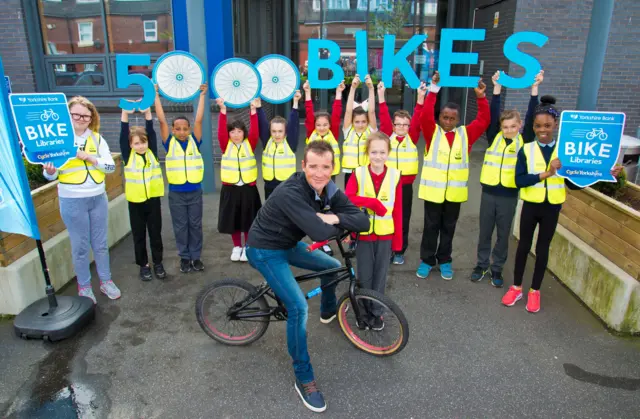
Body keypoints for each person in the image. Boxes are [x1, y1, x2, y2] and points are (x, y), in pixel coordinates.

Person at [245, 140, 370, 413]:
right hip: (264, 249)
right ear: (303, 166)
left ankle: (327, 311)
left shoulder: (328, 189)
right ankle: (304, 377)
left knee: (332, 267)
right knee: (299, 309)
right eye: (313, 166)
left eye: (325, 167)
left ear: (332, 168)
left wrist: (334, 218)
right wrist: (333, 222)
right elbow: (320, 233)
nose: (319, 173)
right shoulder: (290, 192)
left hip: (287, 243)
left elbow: (363, 221)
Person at [503, 93, 622, 312]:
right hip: (530, 205)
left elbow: (574, 184)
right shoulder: (526, 149)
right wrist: (546, 173)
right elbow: (519, 181)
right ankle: (517, 287)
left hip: (552, 207)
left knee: (542, 249)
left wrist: (607, 172)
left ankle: (534, 291)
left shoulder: (566, 151)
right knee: (523, 247)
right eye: (538, 126)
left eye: (547, 125)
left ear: (555, 125)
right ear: (533, 125)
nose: (542, 130)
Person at [42, 96, 119, 304]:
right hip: (72, 199)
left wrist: (91, 158)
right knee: (81, 246)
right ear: (68, 116)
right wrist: (49, 171)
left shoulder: (97, 139)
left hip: (97, 197)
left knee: (101, 244)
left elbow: (111, 167)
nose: (81, 118)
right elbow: (50, 175)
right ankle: (84, 286)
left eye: (85, 115)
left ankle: (106, 281)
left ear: (91, 117)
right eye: (76, 114)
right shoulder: (57, 139)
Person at [417, 70, 490, 280]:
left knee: (448, 228)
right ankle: (427, 260)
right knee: (430, 227)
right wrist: (434, 89)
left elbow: (484, 120)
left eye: (452, 118)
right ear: (439, 117)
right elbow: (424, 115)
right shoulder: (432, 133)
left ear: (458, 119)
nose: (448, 121)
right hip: (433, 193)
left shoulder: (465, 134)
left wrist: (481, 97)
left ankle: (445, 260)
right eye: (444, 117)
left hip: (454, 195)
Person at [470, 70, 532, 287]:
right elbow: (493, 113)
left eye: (513, 127)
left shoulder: (524, 142)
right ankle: (481, 265)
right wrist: (496, 89)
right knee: (485, 232)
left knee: (503, 235)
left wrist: (534, 92)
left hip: (508, 195)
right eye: (505, 127)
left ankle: (497, 269)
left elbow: (533, 116)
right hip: (489, 193)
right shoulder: (495, 137)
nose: (508, 130)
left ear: (520, 126)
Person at [345, 132, 402, 330]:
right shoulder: (358, 173)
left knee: (380, 276)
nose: (378, 156)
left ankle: (377, 313)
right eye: (374, 152)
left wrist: (398, 242)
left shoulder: (395, 175)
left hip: (386, 235)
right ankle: (362, 311)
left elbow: (399, 211)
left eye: (382, 152)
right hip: (364, 234)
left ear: (388, 153)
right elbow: (348, 198)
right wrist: (373, 203)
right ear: (367, 153)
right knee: (364, 275)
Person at [155, 83, 208, 273]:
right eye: (178, 129)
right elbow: (161, 120)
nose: (183, 132)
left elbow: (199, 120)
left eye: (185, 128)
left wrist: (202, 96)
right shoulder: (169, 143)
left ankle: (196, 257)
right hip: (176, 193)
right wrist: (155, 96)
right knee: (180, 226)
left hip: (194, 191)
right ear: (173, 130)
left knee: (195, 225)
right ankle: (184, 258)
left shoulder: (195, 140)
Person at [378, 80, 426, 265]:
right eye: (398, 124)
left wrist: (420, 98)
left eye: (405, 125)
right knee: (386, 215)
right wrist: (381, 95)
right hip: (387, 186)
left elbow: (418, 118)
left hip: (405, 187)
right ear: (393, 125)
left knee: (403, 218)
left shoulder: (412, 138)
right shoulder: (387, 138)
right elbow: (383, 114)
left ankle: (399, 250)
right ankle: (387, 246)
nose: (402, 128)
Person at [119, 99, 165, 281]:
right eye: (137, 143)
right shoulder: (128, 157)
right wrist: (125, 113)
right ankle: (143, 265)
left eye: (143, 142)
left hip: (153, 201)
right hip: (136, 202)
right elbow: (123, 135)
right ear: (131, 145)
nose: (141, 146)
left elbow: (152, 133)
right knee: (139, 235)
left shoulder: (152, 152)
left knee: (155, 233)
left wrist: (148, 113)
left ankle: (158, 263)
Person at [216, 97, 261, 262]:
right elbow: (220, 131)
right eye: (232, 131)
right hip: (231, 188)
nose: (236, 135)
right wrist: (222, 110)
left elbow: (255, 130)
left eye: (239, 131)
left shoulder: (250, 144)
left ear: (244, 133)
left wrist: (253, 111)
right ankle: (237, 247)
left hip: (248, 188)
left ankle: (248, 247)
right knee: (233, 219)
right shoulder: (225, 145)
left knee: (249, 219)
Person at [303, 79, 345, 255]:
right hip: (312, 179)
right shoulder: (310, 134)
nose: (321, 127)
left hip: (328, 179)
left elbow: (336, 114)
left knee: (327, 208)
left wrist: (338, 94)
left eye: (325, 125)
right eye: (318, 124)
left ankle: (325, 241)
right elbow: (308, 112)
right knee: (315, 208)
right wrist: (307, 93)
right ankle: (318, 240)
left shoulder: (333, 134)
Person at [257, 91, 301, 199]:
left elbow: (293, 123)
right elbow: (262, 123)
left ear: (285, 132)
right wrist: (258, 107)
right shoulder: (268, 142)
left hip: (287, 185)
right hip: (269, 185)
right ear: (270, 132)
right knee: (271, 211)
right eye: (274, 131)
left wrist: (295, 102)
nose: (277, 134)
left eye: (280, 131)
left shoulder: (290, 143)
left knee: (286, 212)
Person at [341, 74, 377, 188]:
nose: (360, 125)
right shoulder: (348, 131)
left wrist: (371, 89)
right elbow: (348, 111)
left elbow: (371, 111)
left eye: (363, 121)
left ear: (367, 122)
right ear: (352, 122)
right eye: (357, 122)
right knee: (350, 202)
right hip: (350, 172)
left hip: (366, 172)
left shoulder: (371, 132)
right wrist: (352, 88)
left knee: (365, 202)